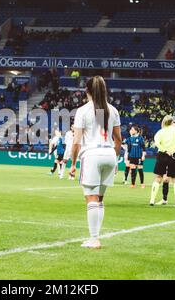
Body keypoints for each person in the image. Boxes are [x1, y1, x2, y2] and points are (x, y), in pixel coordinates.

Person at [69, 76, 122, 249]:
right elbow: (119, 140)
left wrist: (72, 163)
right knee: (99, 199)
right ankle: (95, 237)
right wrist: (115, 160)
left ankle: (94, 238)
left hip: (92, 154)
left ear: (87, 91)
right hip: (109, 154)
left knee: (91, 198)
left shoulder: (83, 110)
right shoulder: (113, 110)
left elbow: (76, 141)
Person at [150, 115, 175, 208]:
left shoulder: (160, 132)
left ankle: (152, 200)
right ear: (171, 122)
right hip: (173, 155)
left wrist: (164, 150)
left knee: (158, 177)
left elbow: (157, 143)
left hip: (162, 155)